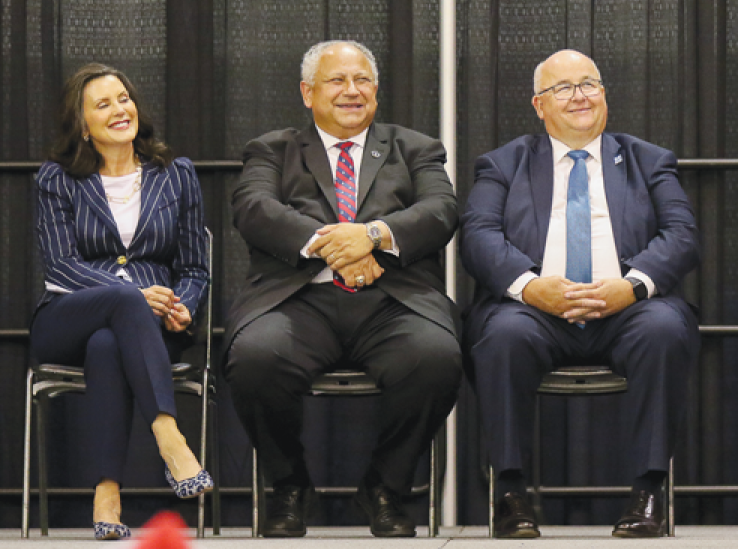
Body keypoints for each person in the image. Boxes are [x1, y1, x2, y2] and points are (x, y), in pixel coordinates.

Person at [223, 40, 461, 538]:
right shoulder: (274, 148)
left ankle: (385, 488)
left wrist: (370, 236)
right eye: (337, 81)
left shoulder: (414, 147)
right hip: (298, 299)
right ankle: (290, 485)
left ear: (376, 90)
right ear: (308, 93)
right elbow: (253, 208)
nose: (351, 91)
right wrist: (334, 247)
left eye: (362, 81)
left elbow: (440, 211)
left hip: (392, 302)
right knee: (255, 358)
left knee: (436, 357)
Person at [460, 49, 701, 539]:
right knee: (502, 335)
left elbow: (682, 235)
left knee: (663, 329)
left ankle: (648, 492)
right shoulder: (503, 164)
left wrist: (631, 287)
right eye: (563, 88)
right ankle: (510, 495)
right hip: (534, 311)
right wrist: (531, 288)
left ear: (604, 95)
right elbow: (478, 237)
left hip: (627, 309)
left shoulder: (648, 159)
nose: (579, 96)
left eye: (589, 84)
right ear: (539, 104)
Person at [33, 63, 213, 541]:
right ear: (83, 124)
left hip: (148, 331)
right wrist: (131, 292)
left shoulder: (176, 175)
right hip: (66, 317)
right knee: (122, 302)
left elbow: (194, 267)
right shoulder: (57, 178)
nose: (120, 109)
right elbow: (60, 265)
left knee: (108, 345)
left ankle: (107, 492)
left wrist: (185, 307)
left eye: (124, 98)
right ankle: (168, 436)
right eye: (103, 104)